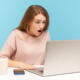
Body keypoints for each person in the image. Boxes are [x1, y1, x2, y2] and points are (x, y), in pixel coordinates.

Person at [0, 5, 50, 70]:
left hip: (39, 74)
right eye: (37, 22)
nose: (41, 26)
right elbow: (1, 59)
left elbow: (48, 58)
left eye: (44, 22)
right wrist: (20, 65)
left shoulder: (45, 35)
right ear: (28, 22)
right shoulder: (16, 34)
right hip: (21, 73)